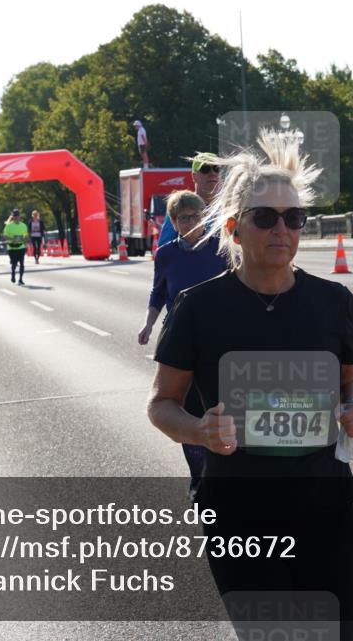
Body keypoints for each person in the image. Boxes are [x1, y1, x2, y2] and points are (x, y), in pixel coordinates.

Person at [148, 130, 353, 640]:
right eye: (265, 217)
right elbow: (161, 404)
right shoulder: (199, 309)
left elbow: (350, 385)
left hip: (326, 508)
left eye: (294, 218)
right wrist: (200, 432)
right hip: (239, 513)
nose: (282, 229)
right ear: (234, 226)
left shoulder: (335, 302)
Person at [138, 190, 228, 494]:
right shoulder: (166, 254)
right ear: (174, 222)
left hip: (220, 337)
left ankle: (225, 471)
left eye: (197, 215)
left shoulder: (221, 248)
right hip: (181, 339)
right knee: (187, 410)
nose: (192, 221)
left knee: (222, 406)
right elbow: (158, 292)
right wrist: (148, 324)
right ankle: (198, 476)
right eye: (185, 217)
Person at [156, 152, 222, 248]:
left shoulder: (229, 208)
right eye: (205, 169)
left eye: (216, 169)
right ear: (194, 176)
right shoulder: (181, 205)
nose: (212, 173)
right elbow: (164, 249)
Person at [4, 208, 28, 285]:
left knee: (22, 264)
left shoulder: (23, 225)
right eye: (15, 215)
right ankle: (13, 273)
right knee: (14, 264)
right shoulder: (8, 226)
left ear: (19, 216)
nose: (16, 217)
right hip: (12, 247)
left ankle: (20, 279)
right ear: (13, 216)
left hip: (21, 247)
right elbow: (5, 236)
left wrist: (25, 240)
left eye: (17, 215)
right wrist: (13, 239)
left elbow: (26, 236)